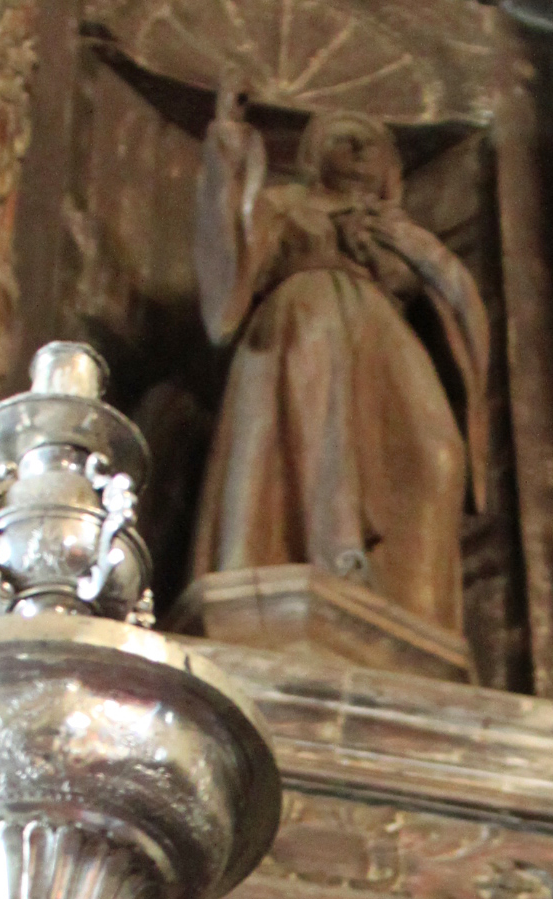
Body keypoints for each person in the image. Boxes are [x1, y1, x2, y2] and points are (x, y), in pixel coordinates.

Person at [190, 94, 489, 641]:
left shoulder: (401, 230)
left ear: (391, 168)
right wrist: (230, 151)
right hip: (304, 323)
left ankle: (414, 612)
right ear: (312, 157)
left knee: (438, 453)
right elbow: (230, 270)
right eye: (340, 139)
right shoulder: (286, 205)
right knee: (321, 422)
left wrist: (418, 252)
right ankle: (329, 558)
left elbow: (459, 308)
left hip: (384, 340)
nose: (356, 150)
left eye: (369, 142)